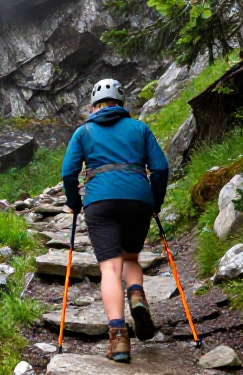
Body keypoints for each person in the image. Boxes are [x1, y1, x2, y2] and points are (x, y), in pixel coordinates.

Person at [60, 79, 169, 363]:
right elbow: (160, 168)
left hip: (100, 202)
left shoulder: (84, 131)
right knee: (131, 258)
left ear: (94, 106)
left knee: (110, 268)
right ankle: (136, 294)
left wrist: (74, 202)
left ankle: (119, 339)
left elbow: (69, 174)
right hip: (137, 199)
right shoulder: (140, 128)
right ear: (121, 104)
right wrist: (155, 202)